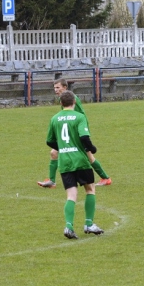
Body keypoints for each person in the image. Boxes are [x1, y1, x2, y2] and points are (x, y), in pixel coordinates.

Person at [46, 91, 105, 239]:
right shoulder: (79, 117)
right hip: (80, 160)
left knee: (71, 195)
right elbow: (84, 137)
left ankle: (69, 227)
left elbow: (49, 141)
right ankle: (89, 223)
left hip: (65, 161)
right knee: (90, 189)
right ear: (74, 102)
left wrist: (63, 148)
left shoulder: (54, 118)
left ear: (61, 103)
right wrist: (92, 148)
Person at [38, 78, 112, 188]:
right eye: (54, 87)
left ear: (65, 87)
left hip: (77, 131)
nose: (55, 90)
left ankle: (105, 178)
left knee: (89, 156)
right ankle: (51, 181)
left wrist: (80, 132)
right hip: (71, 130)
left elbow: (79, 116)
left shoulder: (73, 99)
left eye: (58, 87)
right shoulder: (63, 99)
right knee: (54, 153)